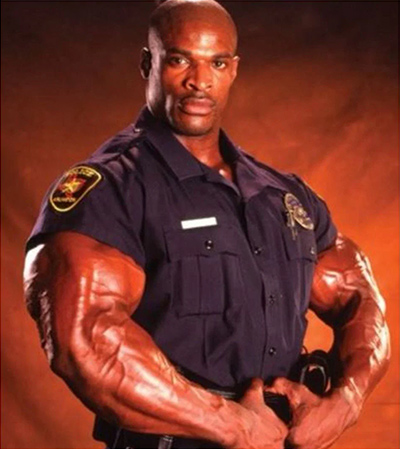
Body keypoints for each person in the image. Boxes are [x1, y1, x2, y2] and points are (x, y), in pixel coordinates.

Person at [23, 1, 390, 448]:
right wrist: (232, 425)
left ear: (233, 69)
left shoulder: (280, 193)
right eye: (180, 60)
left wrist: (346, 400)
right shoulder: (109, 190)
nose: (199, 80)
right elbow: (84, 344)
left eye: (216, 63)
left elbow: (359, 296)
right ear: (148, 64)